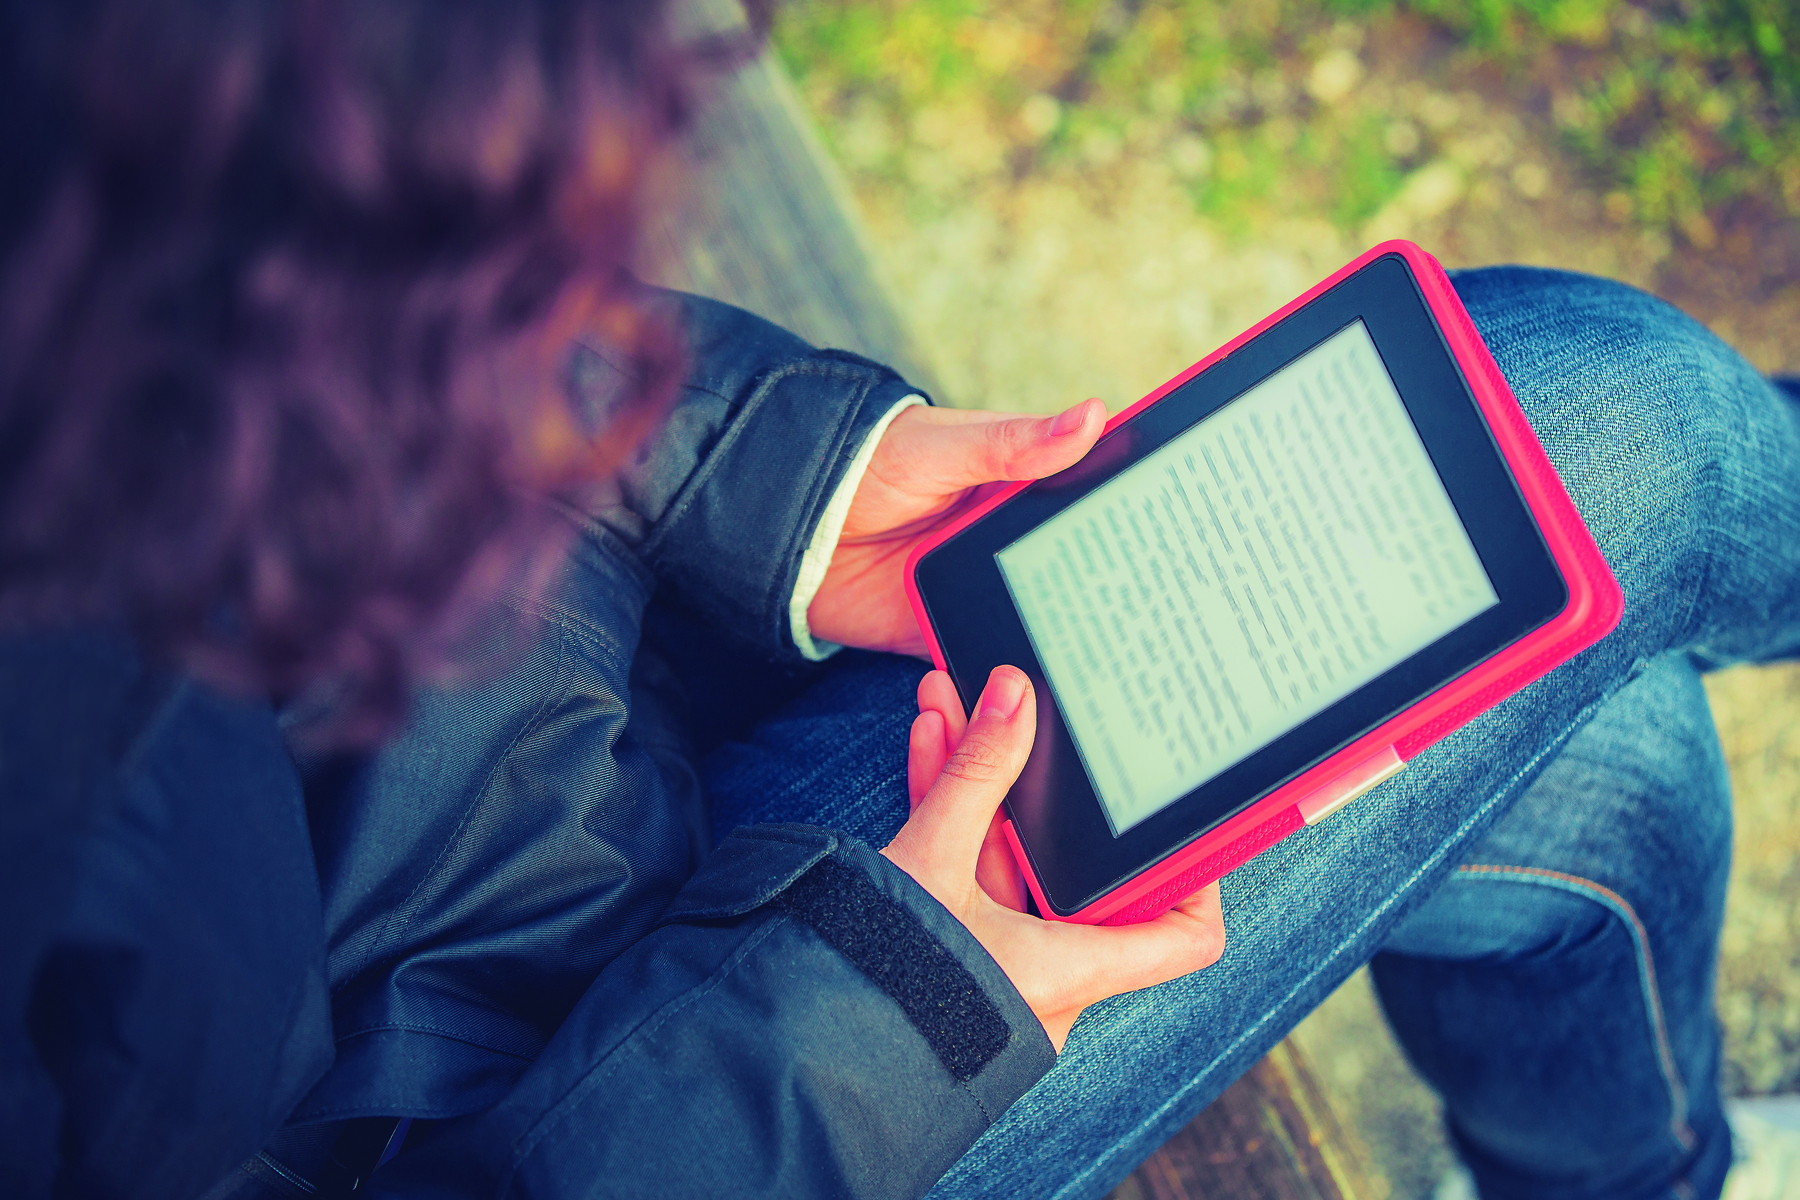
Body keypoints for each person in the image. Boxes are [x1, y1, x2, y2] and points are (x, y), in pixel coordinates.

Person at [1, 3, 1795, 1199]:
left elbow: (255, 306)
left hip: (581, 721)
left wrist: (752, 478)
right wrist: (877, 1012)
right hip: (645, 1106)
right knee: (1608, 427)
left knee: (1569, 719)